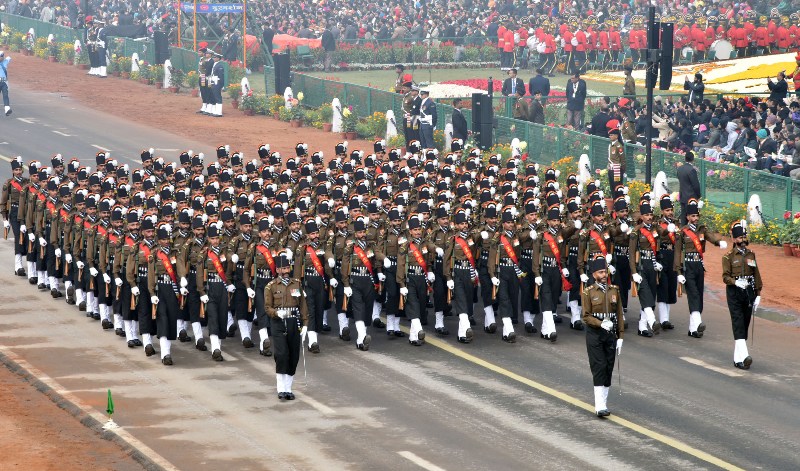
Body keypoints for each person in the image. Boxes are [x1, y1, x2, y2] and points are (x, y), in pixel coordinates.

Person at [674, 199, 727, 339]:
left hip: (699, 265)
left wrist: (718, 242)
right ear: (687, 217)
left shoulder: (702, 229)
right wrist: (678, 271)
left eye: (697, 216)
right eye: (693, 216)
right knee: (693, 294)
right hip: (687, 265)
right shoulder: (682, 232)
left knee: (699, 295)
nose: (695, 218)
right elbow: (678, 253)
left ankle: (693, 329)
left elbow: (710, 236)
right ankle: (698, 323)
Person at [581, 254, 624, 418]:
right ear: (594, 275)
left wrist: (621, 336)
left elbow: (619, 314)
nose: (604, 275)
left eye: (605, 272)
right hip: (595, 333)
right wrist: (600, 324)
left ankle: (604, 403)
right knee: (599, 366)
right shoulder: (588, 292)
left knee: (608, 367)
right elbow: (585, 316)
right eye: (600, 272)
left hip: (610, 334)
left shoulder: (615, 290)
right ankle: (600, 406)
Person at [265, 250, 308, 400]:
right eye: (282, 269)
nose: (284, 271)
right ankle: (281, 388)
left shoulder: (296, 284)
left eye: (286, 268)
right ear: (277, 270)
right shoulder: (270, 286)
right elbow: (267, 307)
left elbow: (302, 305)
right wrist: (276, 314)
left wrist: (306, 324)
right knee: (281, 354)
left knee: (293, 356)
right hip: (278, 322)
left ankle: (289, 389)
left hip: (293, 322)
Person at [721, 220, 761, 370]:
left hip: (748, 292)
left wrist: (758, 293)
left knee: (744, 323)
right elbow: (725, 277)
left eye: (743, 237)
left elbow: (756, 274)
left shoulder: (751, 254)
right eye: (739, 238)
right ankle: (744, 356)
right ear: (734, 239)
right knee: (738, 322)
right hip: (734, 292)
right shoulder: (728, 257)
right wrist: (735, 282)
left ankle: (738, 359)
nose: (742, 240)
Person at [676, 151, 701, 224]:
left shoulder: (680, 169)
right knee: (693, 218)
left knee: (683, 216)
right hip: (691, 197)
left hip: (682, 195)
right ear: (693, 159)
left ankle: (683, 232)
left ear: (685, 158)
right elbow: (695, 185)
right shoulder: (692, 170)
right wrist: (699, 195)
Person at [197, 45, 213, 116]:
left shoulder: (206, 60)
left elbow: (208, 69)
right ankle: (204, 106)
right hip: (202, 76)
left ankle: (207, 106)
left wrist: (206, 76)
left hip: (205, 76)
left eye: (200, 52)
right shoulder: (201, 59)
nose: (198, 53)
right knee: (202, 90)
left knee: (205, 90)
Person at [209, 53, 225, 118]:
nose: (214, 58)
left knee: (218, 97)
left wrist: (221, 85)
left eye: (215, 57)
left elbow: (221, 76)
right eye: (213, 57)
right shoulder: (215, 64)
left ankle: (219, 112)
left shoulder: (220, 65)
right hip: (213, 81)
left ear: (218, 58)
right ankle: (215, 111)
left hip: (217, 82)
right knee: (214, 96)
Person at [0, 51, 12, 116]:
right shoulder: (5, 61)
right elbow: (9, 58)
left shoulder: (5, 61)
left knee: (5, 95)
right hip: (3, 82)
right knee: (5, 96)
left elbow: (9, 57)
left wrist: (4, 58)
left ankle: (7, 109)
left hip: (4, 82)